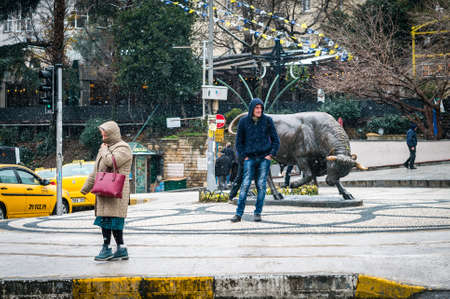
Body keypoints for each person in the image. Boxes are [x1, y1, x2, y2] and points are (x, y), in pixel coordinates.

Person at [81, 121, 132, 261]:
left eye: (104, 132)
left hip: (117, 192)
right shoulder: (104, 148)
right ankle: (118, 248)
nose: (102, 135)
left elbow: (111, 162)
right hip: (104, 191)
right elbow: (96, 171)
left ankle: (109, 248)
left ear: (112, 132)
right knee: (105, 220)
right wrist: (85, 188)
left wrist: (103, 151)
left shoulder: (124, 148)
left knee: (114, 221)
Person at [231, 98, 280, 222]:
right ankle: (238, 214)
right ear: (252, 108)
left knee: (261, 186)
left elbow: (276, 140)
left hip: (264, 158)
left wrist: (270, 155)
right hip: (249, 158)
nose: (259, 110)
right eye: (256, 108)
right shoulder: (243, 122)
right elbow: (238, 142)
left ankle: (257, 213)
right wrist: (244, 156)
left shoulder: (267, 121)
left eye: (261, 108)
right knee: (245, 184)